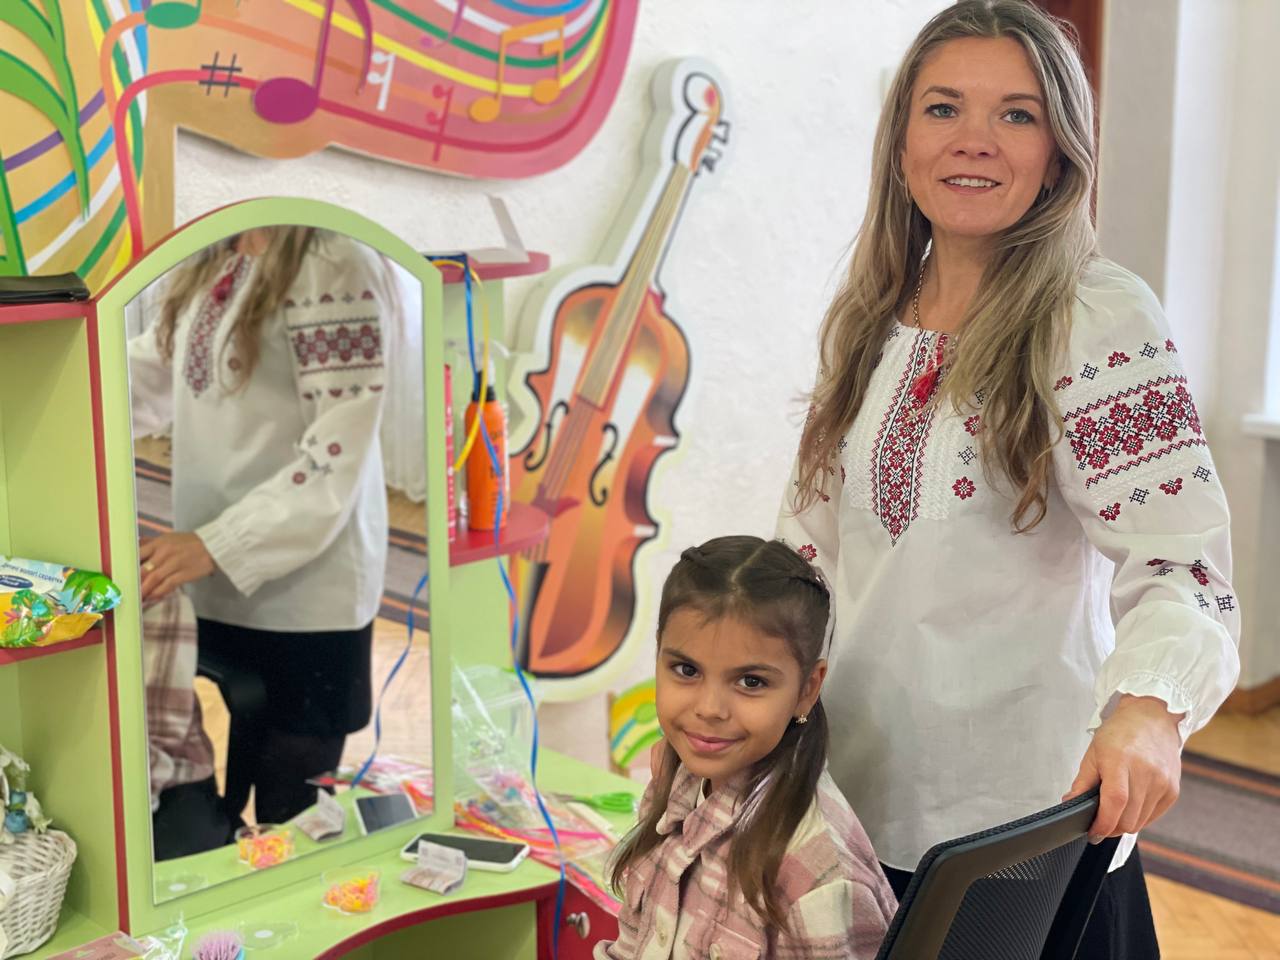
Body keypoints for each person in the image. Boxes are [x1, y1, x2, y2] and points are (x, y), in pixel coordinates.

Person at [776, 2, 1240, 956]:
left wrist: (1151, 710)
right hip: (850, 815)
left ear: (1060, 151)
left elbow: (1183, 567)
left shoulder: (1095, 317)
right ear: (902, 140)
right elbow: (806, 557)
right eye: (943, 108)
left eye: (1017, 114)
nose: (974, 140)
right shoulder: (869, 318)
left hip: (1023, 835)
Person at [128, 226, 397, 825]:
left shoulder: (332, 260)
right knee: (220, 797)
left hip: (308, 594)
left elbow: (338, 447)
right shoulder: (215, 253)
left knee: (290, 812)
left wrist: (219, 543)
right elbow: (151, 372)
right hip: (213, 573)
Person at [601, 536, 896, 960]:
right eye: (686, 670)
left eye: (751, 681)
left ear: (807, 689)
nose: (709, 709)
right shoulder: (674, 777)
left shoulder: (819, 877)